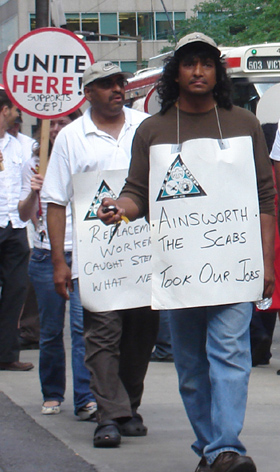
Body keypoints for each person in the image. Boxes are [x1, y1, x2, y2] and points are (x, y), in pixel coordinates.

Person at [97, 33, 275, 472]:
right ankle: (211, 449)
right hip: (180, 268)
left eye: (207, 64)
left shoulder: (244, 124)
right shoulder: (153, 130)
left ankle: (225, 448)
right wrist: (119, 209)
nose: (199, 71)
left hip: (234, 266)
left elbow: (264, 197)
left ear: (218, 73)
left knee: (230, 352)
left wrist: (267, 261)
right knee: (192, 367)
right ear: (174, 73)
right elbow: (138, 192)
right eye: (189, 64)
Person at [41, 61, 159, 447]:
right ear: (88, 93)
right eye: (106, 85)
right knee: (101, 335)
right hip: (96, 258)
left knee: (140, 336)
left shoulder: (144, 127)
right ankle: (108, 415)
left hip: (144, 253)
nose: (116, 90)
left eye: (119, 83)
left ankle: (128, 407)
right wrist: (61, 260)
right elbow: (56, 202)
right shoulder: (72, 137)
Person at [18, 112, 97, 420]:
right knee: (50, 331)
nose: (58, 129)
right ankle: (52, 392)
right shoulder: (34, 165)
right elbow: (25, 215)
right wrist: (34, 191)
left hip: (82, 252)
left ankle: (85, 397)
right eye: (55, 124)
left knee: (82, 330)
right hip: (45, 255)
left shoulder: (83, 158)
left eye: (65, 123)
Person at [0, 88, 33, 371]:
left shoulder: (19, 146)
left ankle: (7, 354)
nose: (16, 114)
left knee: (15, 290)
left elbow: (27, 184)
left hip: (15, 226)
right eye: (12, 109)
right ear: (3, 111)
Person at [7, 112, 40, 350]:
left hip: (19, 227)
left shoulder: (25, 146)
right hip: (9, 219)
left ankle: (12, 345)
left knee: (18, 289)